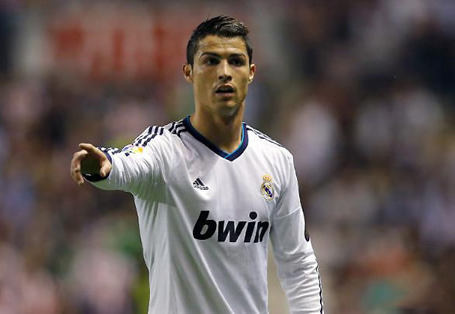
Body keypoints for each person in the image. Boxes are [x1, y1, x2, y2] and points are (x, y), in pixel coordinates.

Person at [70, 15, 324, 313]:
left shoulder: (277, 161)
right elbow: (128, 164)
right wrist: (103, 166)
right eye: (211, 61)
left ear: (251, 73)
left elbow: (298, 265)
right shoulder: (165, 149)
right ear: (189, 72)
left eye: (236, 61)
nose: (225, 72)